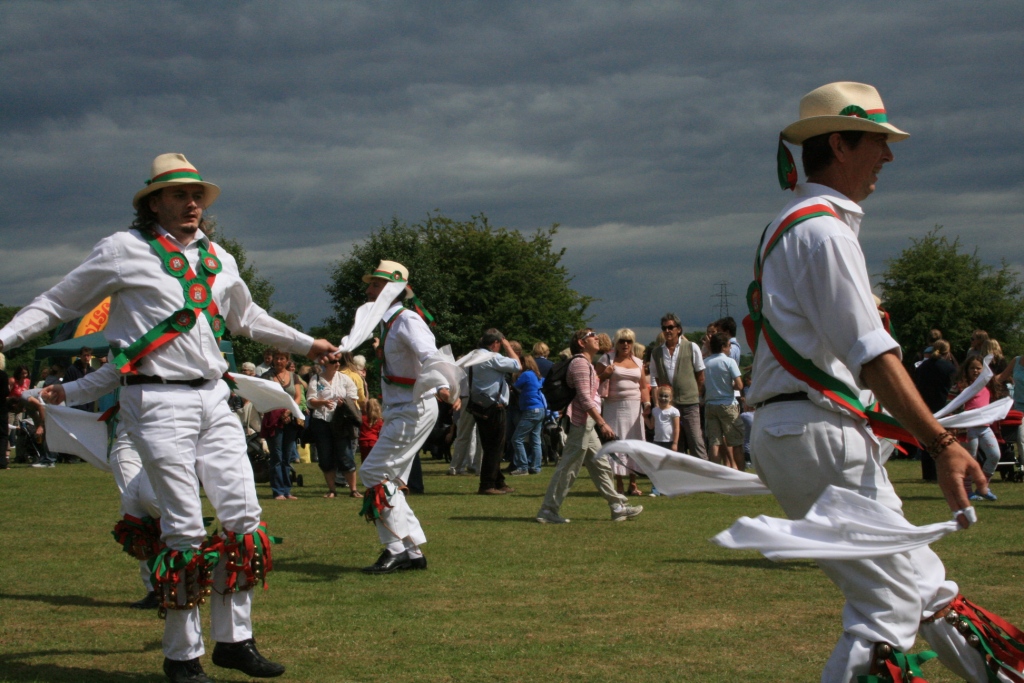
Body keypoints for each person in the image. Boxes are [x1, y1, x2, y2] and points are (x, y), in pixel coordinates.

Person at [0, 153, 338, 683]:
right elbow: (57, 303)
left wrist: (309, 342)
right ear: (153, 202)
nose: (192, 204)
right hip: (155, 402)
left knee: (244, 517)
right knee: (182, 526)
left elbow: (246, 317)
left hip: (214, 397)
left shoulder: (219, 257)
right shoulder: (123, 250)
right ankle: (181, 656)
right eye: (179, 195)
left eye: (197, 196)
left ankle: (234, 641)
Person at [747, 82, 1016, 681]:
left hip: (806, 429)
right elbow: (872, 354)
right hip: (818, 433)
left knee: (925, 587)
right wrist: (942, 444)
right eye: (878, 142)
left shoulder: (792, 226)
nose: (888, 158)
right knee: (887, 605)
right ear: (840, 144)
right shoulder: (823, 231)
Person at [358, 259, 455, 574]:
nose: (369, 289)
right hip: (401, 408)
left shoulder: (406, 320)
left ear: (390, 288)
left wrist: (442, 385)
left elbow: (430, 354)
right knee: (388, 480)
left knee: (373, 473)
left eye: (374, 284)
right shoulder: (389, 322)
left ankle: (398, 548)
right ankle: (410, 552)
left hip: (413, 408)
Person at [535, 328, 643, 524]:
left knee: (600, 465)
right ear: (581, 343)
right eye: (591, 335)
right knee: (568, 468)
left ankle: (617, 506)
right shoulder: (580, 364)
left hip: (586, 422)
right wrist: (603, 423)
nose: (596, 337)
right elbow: (585, 399)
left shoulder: (588, 364)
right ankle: (548, 510)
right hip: (580, 422)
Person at [595, 328, 650, 495]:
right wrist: (605, 374)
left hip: (634, 408)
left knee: (634, 442)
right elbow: (594, 382)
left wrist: (647, 403)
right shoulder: (606, 359)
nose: (625, 344)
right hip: (614, 407)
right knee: (617, 442)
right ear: (616, 343)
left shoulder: (638, 362)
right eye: (622, 341)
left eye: (629, 341)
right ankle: (618, 483)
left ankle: (633, 483)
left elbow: (642, 386)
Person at [468, 329, 521, 494]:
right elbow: (517, 365)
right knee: (495, 447)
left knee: (489, 445)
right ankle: (487, 484)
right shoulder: (492, 357)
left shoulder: (473, 355)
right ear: (495, 343)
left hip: (478, 404)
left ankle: (498, 481)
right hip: (494, 406)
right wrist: (508, 346)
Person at [650, 313, 706, 459]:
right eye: (664, 328)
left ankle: (705, 475)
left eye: (670, 327)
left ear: (679, 329)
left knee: (695, 440)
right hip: (669, 404)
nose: (667, 331)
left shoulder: (692, 347)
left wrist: (695, 395)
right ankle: (680, 477)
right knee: (674, 442)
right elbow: (656, 377)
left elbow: (700, 376)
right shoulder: (656, 353)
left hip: (690, 403)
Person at [306, 356, 361, 498]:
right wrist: (322, 402)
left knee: (346, 454)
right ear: (325, 363)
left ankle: (353, 490)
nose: (337, 364)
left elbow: (353, 399)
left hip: (341, 421)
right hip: (321, 421)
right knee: (325, 456)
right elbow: (310, 401)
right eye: (333, 362)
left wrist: (344, 404)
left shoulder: (344, 379)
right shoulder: (316, 379)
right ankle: (332, 490)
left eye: (338, 362)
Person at [952, 357, 1000, 501]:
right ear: (966, 370)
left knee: (994, 455)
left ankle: (982, 487)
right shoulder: (961, 386)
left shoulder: (987, 385)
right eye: (972, 368)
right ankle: (967, 492)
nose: (975, 371)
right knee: (969, 460)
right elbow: (951, 405)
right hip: (968, 429)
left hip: (984, 427)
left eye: (979, 368)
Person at [261, 350, 302, 500]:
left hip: (290, 420)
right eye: (276, 358)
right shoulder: (267, 376)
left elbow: (297, 397)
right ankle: (277, 490)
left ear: (287, 360)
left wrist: (289, 411)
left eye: (282, 359)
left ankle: (287, 490)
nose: (279, 361)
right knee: (276, 456)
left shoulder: (294, 376)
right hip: (273, 420)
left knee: (287, 455)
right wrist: (280, 410)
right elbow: (264, 396)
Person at [914, 340, 957, 480]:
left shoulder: (922, 366)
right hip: (943, 405)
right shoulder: (948, 367)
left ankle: (928, 474)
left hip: (925, 406)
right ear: (947, 352)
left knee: (928, 440)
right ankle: (943, 471)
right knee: (944, 440)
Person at [703, 332, 745, 470]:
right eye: (728, 345)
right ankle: (742, 475)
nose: (730, 348)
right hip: (727, 404)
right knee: (736, 443)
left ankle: (715, 477)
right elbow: (739, 385)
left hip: (710, 405)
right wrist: (729, 385)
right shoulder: (729, 361)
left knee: (714, 443)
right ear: (723, 346)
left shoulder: (706, 362)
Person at [510, 355, 546, 476]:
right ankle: (536, 467)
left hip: (530, 410)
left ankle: (522, 467)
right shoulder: (537, 375)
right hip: (540, 409)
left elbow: (514, 386)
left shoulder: (526, 375)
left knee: (517, 439)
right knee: (535, 440)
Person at [644, 387, 680, 497]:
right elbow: (651, 425)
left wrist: (675, 443)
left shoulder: (674, 411)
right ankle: (656, 490)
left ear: (671, 398)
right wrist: (645, 417)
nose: (663, 398)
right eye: (661, 396)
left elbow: (676, 428)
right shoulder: (655, 411)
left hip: (668, 442)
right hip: (657, 442)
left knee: (668, 467)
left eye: (666, 396)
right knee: (656, 467)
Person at [358, 398, 383, 463]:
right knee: (374, 463)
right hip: (374, 442)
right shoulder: (379, 420)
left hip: (363, 442)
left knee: (364, 462)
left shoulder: (362, 418)